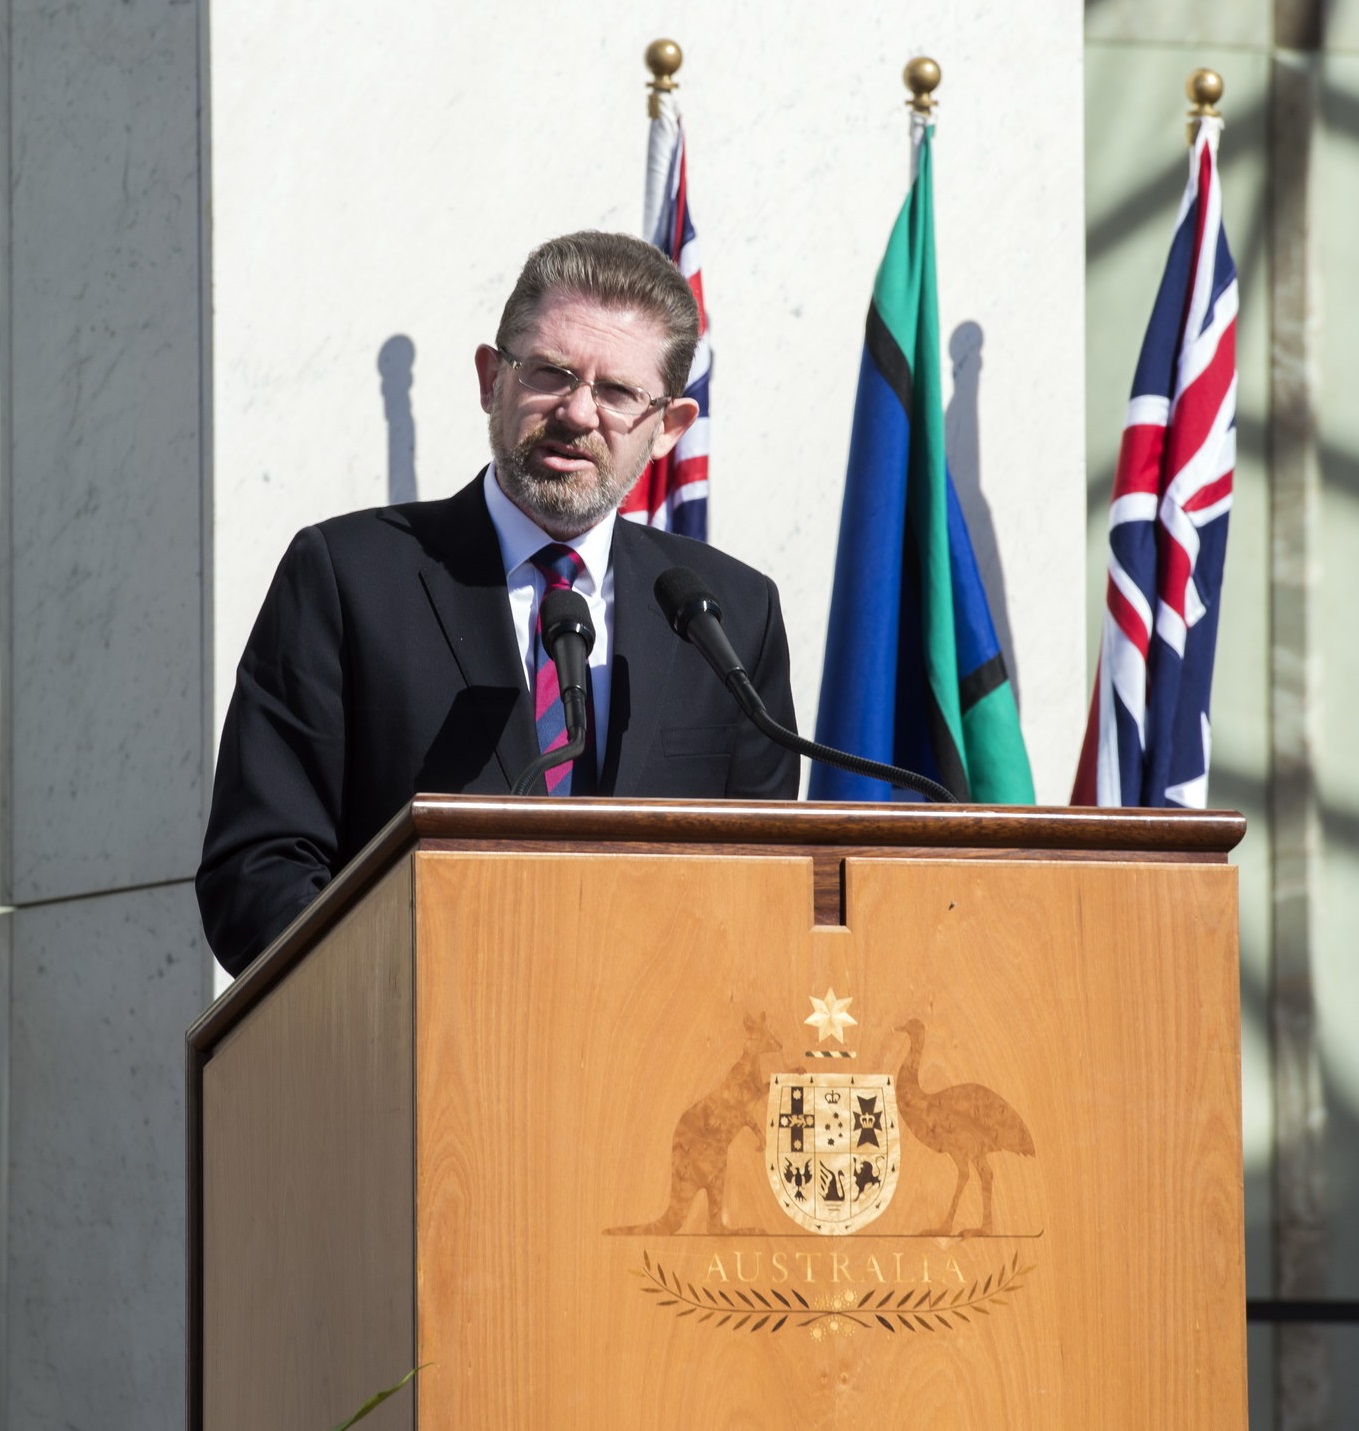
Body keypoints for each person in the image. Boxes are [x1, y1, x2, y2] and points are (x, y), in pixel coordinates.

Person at [197, 230, 799, 976]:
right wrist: (424, 999)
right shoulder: (348, 578)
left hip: (659, 1071)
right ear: (491, 379)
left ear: (668, 428)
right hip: (418, 1058)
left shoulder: (729, 614)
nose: (578, 413)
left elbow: (766, 883)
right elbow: (257, 873)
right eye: (550, 373)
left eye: (616, 392)